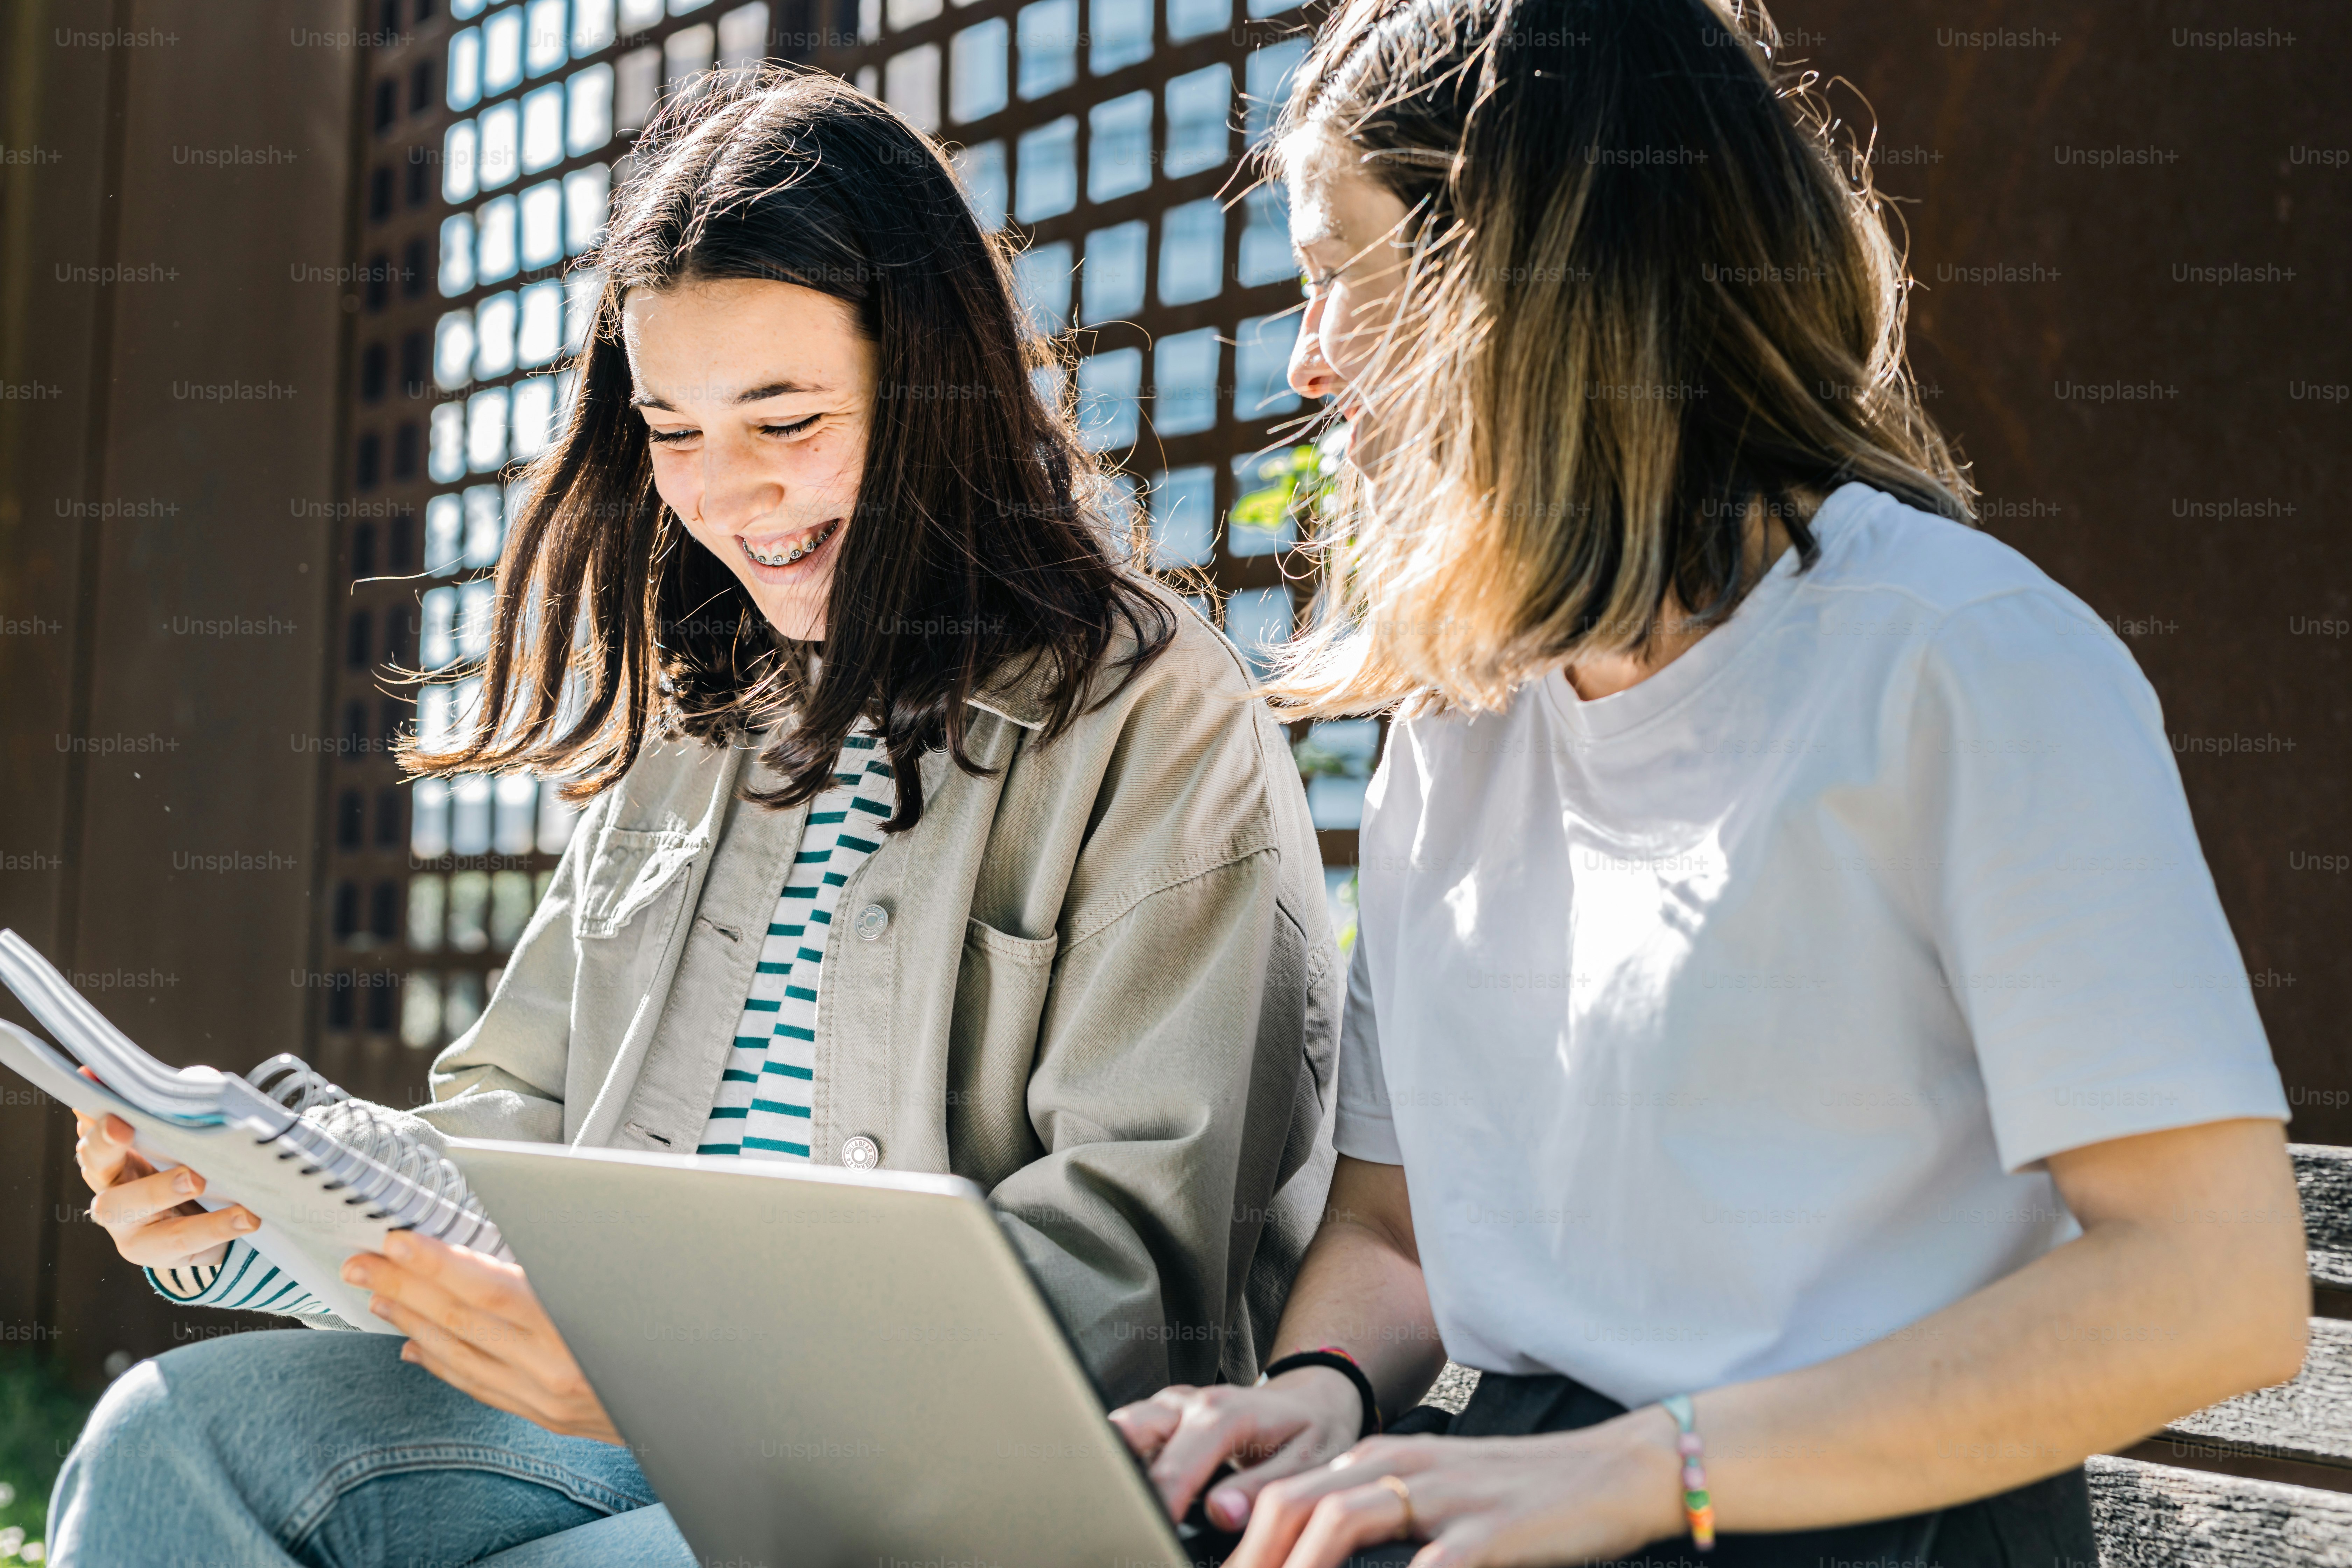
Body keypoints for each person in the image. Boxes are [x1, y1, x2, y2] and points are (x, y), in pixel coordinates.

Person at [51, 69, 1339, 1567]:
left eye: (784, 418)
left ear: (935, 386)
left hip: (949, 1483)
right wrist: (252, 1199)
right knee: (166, 1437)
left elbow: (1139, 1269)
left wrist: (668, 1378)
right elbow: (512, 1144)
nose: (729, 496)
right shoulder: (695, 725)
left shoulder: (1154, 716)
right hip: (618, 1433)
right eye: (673, 429)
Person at [1109, 2, 2309, 1565]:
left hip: (1869, 1515)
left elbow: (2215, 1283)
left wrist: (1641, 1475)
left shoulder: (1967, 664)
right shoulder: (1463, 726)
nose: (1307, 360)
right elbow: (1396, 1236)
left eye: (1339, 276)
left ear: (1535, 286)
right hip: (1556, 1489)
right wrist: (1324, 1394)